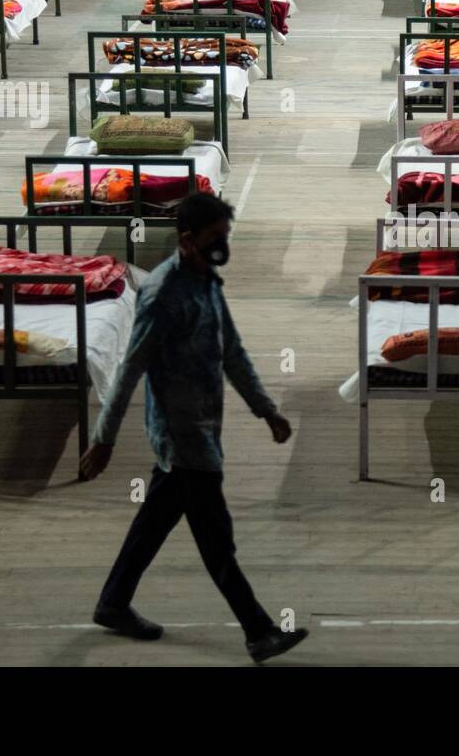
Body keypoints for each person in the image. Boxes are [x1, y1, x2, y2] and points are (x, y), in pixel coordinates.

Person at [79, 193, 308, 664]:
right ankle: (259, 631)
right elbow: (129, 370)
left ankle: (113, 603)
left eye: (226, 236)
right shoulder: (164, 294)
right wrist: (103, 438)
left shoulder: (206, 281)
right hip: (181, 437)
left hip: (204, 427)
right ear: (188, 240)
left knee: (155, 521)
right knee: (215, 536)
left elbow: (233, 353)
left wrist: (267, 410)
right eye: (216, 238)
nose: (223, 246)